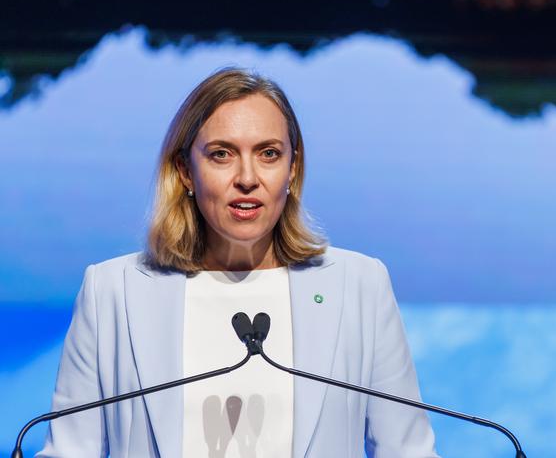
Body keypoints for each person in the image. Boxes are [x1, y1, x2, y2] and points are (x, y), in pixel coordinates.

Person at [37, 68, 440, 457]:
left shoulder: (359, 286)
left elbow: (407, 451)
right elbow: (71, 449)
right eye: (221, 154)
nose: (247, 177)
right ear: (185, 172)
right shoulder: (113, 290)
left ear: (292, 169)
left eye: (268, 153)